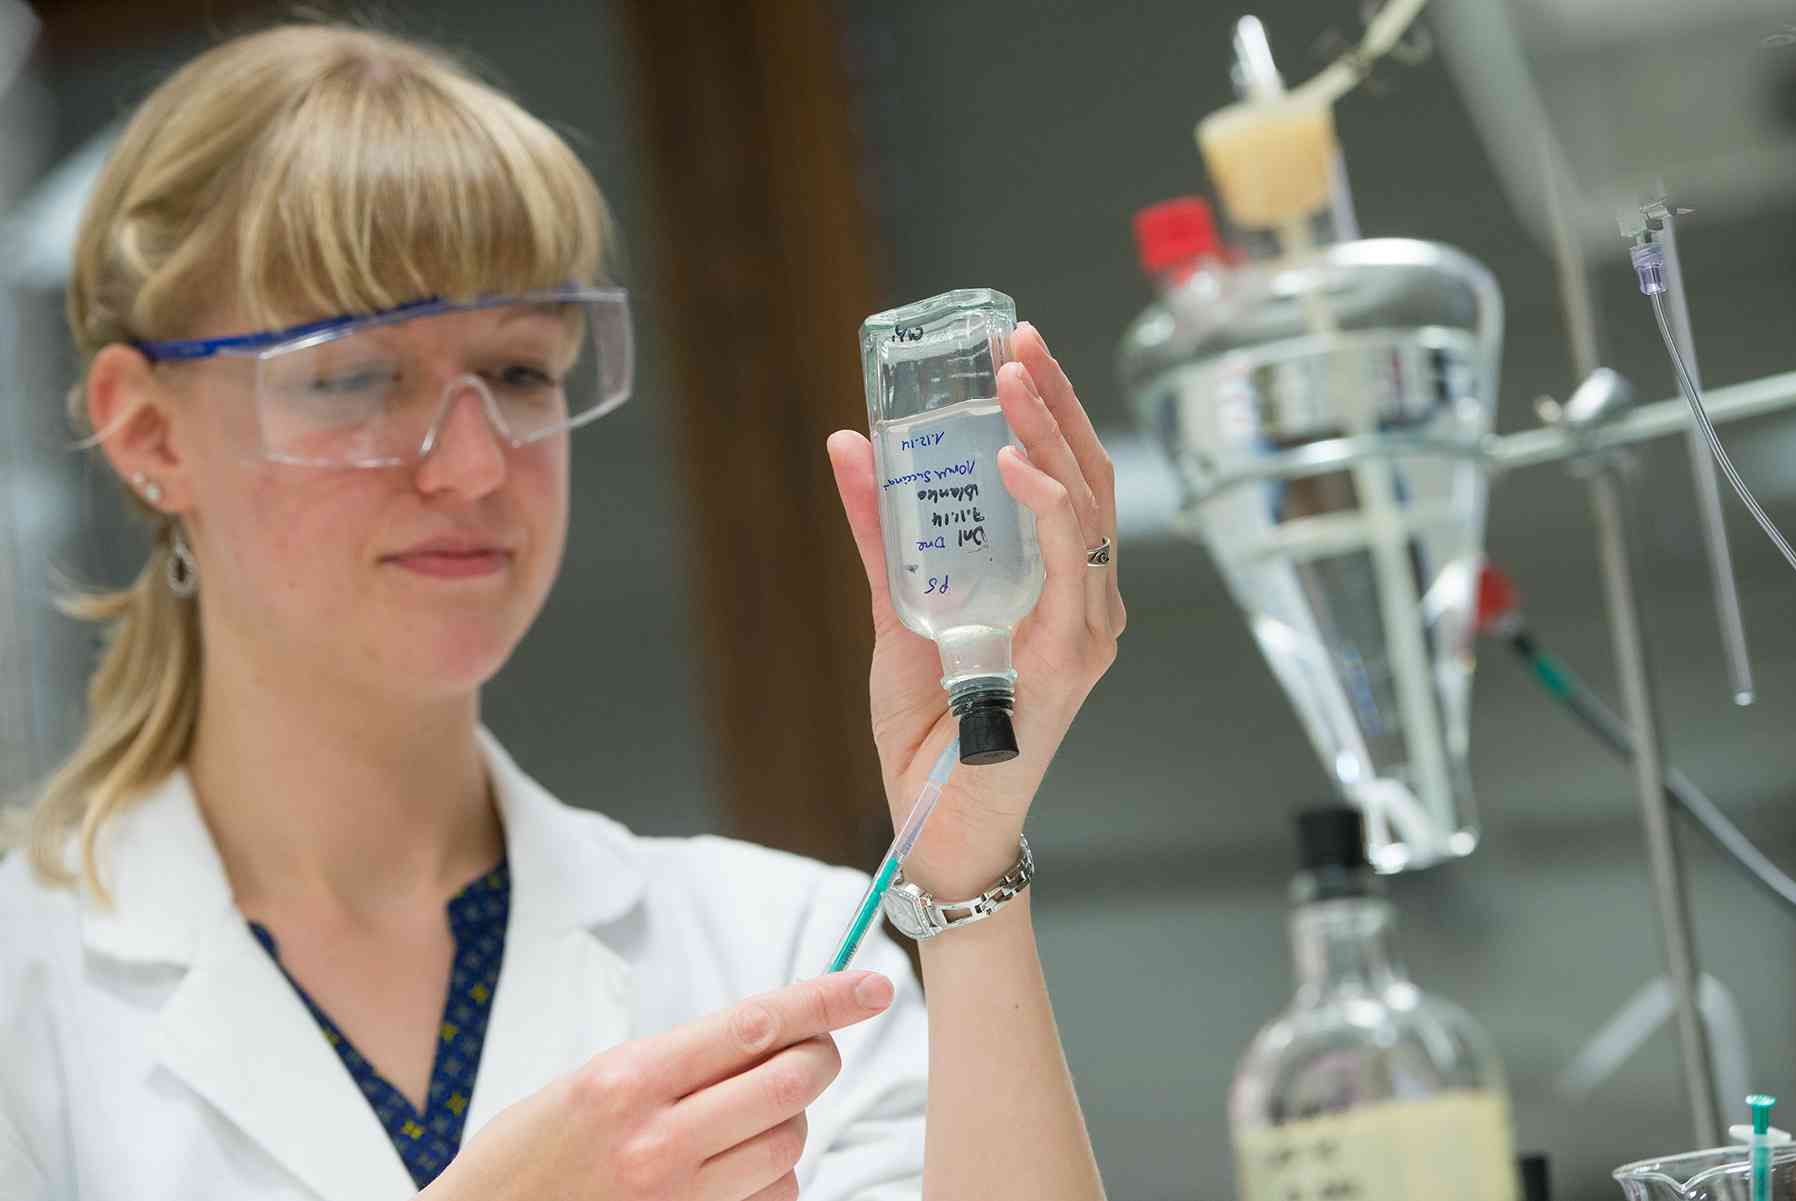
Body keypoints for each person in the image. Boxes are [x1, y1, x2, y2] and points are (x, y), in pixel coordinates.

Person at [0, 21, 1125, 1201]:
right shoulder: (26, 996)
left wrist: (966, 878)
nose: (475, 465)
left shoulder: (776, 945)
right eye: (357, 376)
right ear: (149, 434)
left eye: (521, 372)